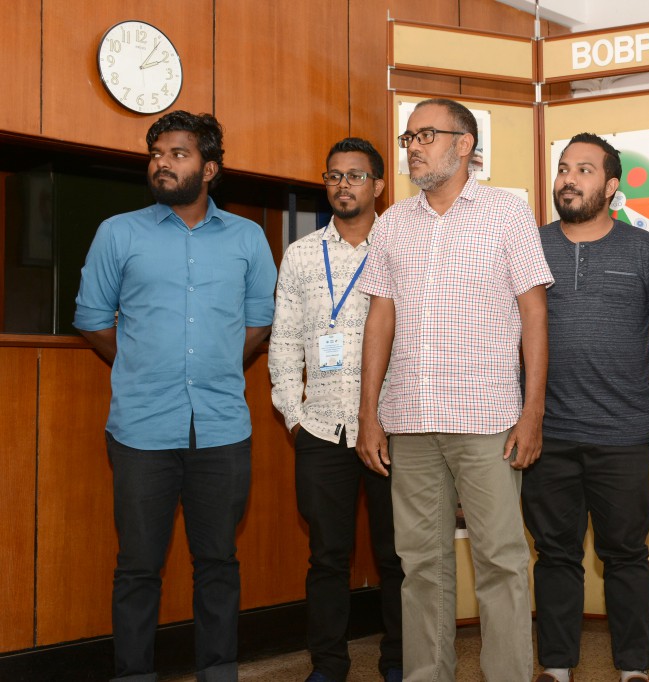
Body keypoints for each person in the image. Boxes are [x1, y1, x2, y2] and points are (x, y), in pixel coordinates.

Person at [73, 111, 277, 682]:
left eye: (178, 154)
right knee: (138, 567)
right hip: (141, 429)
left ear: (209, 169)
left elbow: (259, 321)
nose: (162, 163)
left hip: (222, 429)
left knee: (218, 563)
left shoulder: (247, 238)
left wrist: (215, 364)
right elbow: (92, 318)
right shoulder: (119, 233)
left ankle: (218, 673)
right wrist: (142, 364)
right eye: (156, 154)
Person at [355, 98, 552, 682]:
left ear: (464, 145)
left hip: (487, 421)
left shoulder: (507, 212)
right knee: (420, 566)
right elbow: (379, 319)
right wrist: (368, 414)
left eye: (427, 135)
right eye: (409, 137)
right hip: (410, 420)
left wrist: (533, 412)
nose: (413, 147)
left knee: (502, 562)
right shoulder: (392, 222)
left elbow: (535, 315)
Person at [523, 133, 649, 682]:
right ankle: (556, 665)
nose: (568, 178)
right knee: (555, 553)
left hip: (623, 431)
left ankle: (634, 668)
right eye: (564, 168)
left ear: (611, 187)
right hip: (548, 430)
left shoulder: (646, 251)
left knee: (626, 553)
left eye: (584, 170)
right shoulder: (531, 245)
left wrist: (618, 355)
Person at [268, 138, 403, 682]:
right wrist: (294, 417)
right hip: (322, 429)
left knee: (397, 556)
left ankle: (399, 662)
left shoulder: (400, 248)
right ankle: (328, 665)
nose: (343, 185)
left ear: (378, 185)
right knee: (327, 557)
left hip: (393, 427)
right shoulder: (301, 255)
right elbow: (284, 342)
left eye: (356, 175)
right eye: (334, 176)